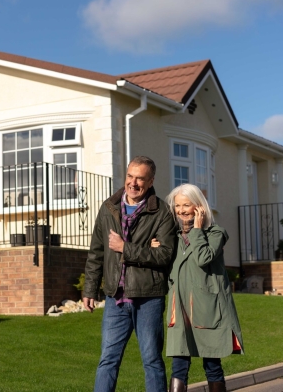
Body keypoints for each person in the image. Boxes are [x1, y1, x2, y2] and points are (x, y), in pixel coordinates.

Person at [83, 156, 177, 392]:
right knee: (108, 360)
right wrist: (90, 289)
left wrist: (125, 247)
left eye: (140, 178)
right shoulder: (108, 208)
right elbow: (96, 252)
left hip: (149, 297)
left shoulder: (162, 212)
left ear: (151, 180)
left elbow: (166, 255)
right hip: (116, 297)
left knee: (152, 361)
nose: (133, 183)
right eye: (130, 176)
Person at [151, 183, 244, 392]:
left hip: (207, 309)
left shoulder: (216, 233)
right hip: (180, 308)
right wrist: (155, 249)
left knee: (212, 366)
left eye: (187, 205)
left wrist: (197, 230)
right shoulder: (172, 237)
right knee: (179, 366)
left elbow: (203, 258)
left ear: (199, 207)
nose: (181, 210)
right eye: (177, 206)